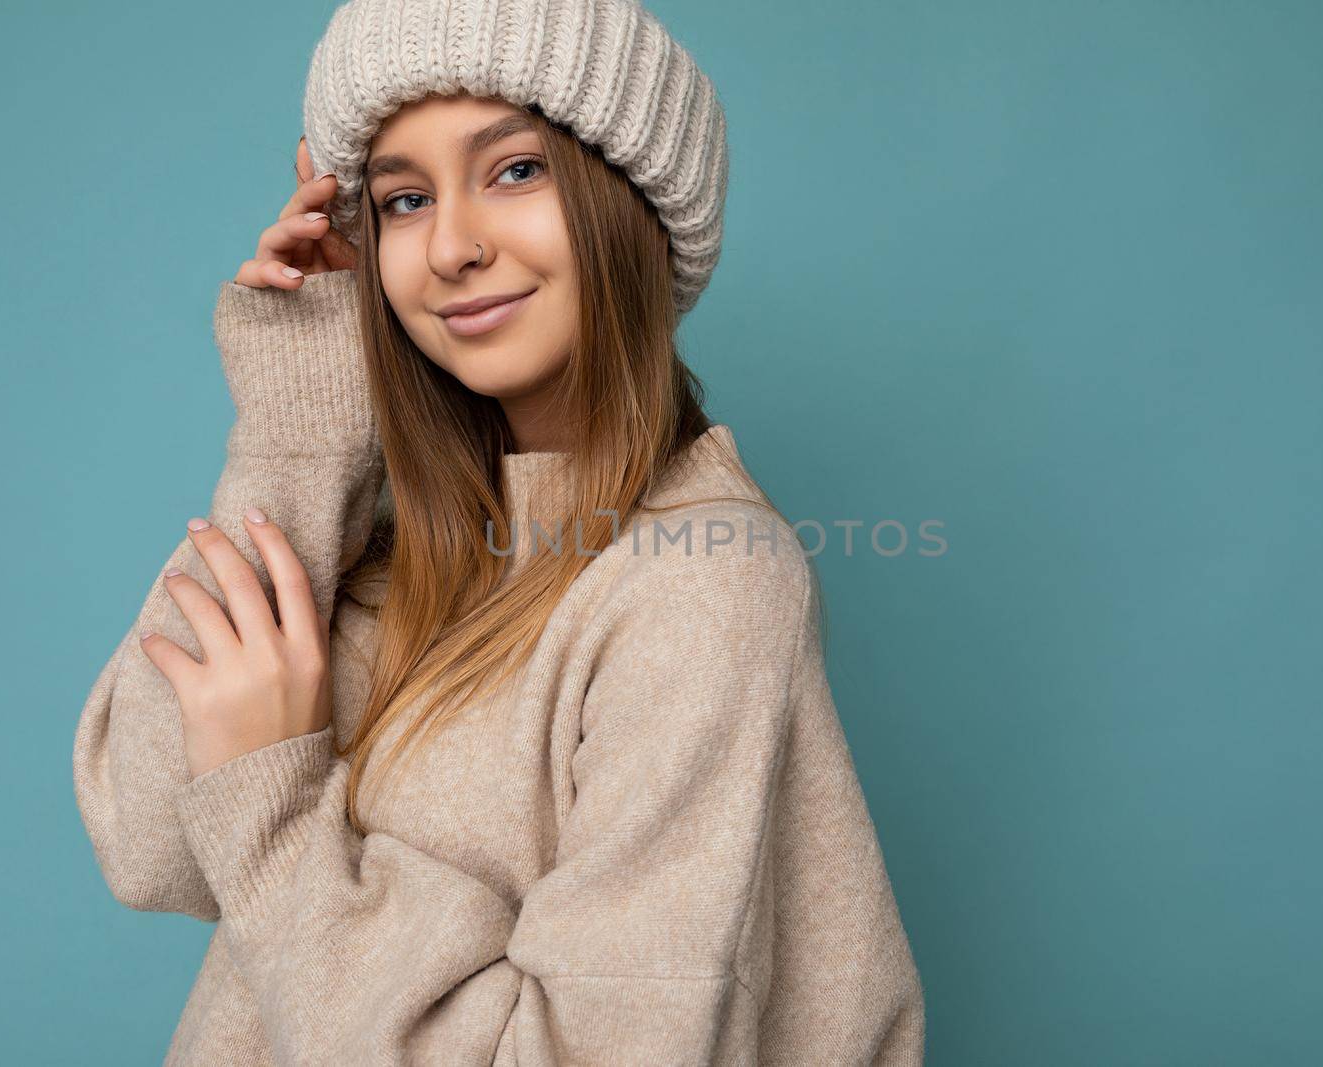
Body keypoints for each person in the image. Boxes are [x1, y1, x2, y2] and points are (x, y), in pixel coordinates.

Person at [71, 0, 925, 1062]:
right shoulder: (416, 552)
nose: (452, 248)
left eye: (516, 170)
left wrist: (279, 813)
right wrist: (304, 424)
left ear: (636, 204)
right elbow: (152, 840)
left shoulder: (701, 583)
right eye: (404, 199)